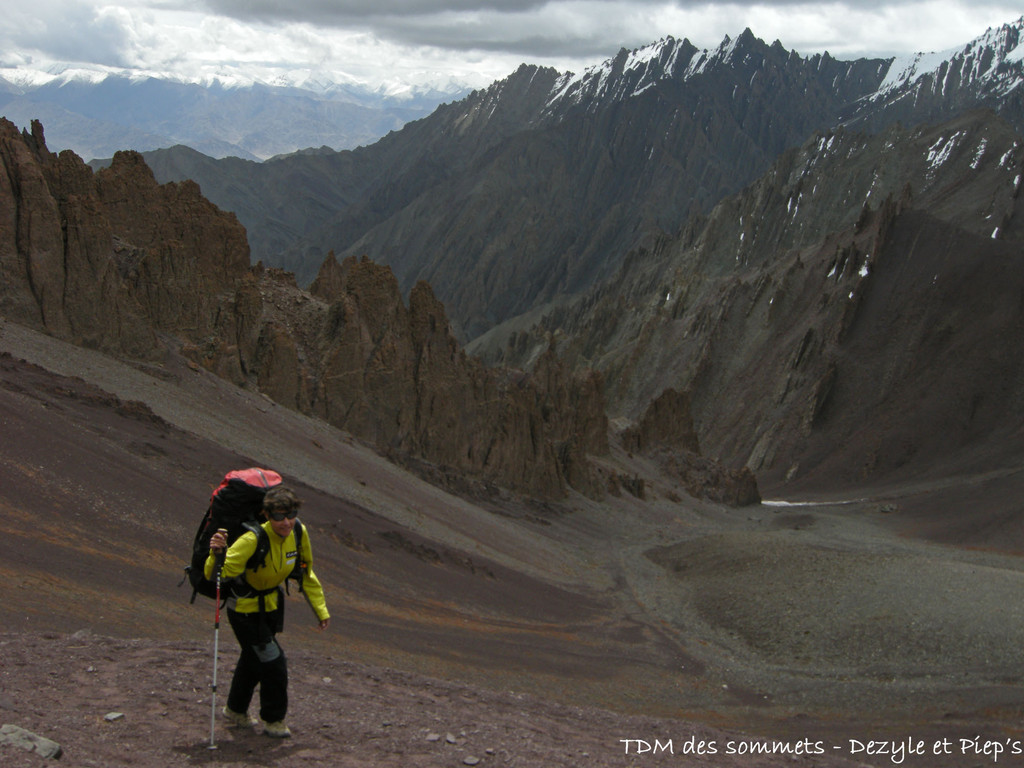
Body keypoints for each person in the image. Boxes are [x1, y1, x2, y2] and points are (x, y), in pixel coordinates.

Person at [206, 486, 330, 738]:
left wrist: (320, 609)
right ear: (266, 516)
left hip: (271, 607)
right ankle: (273, 721)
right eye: (278, 516)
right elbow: (216, 573)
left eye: (290, 514)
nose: (285, 522)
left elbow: (305, 572)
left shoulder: (298, 532)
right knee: (274, 662)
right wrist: (215, 553)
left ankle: (235, 710)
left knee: (253, 659)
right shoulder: (252, 540)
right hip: (244, 610)